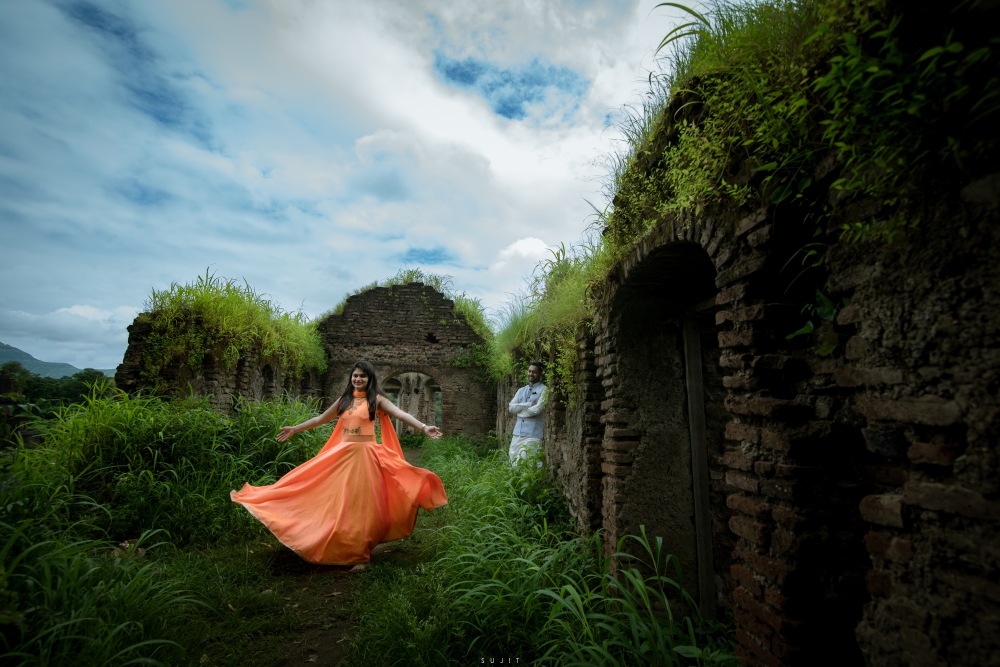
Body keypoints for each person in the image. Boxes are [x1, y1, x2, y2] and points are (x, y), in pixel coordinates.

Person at [231, 361, 447, 569]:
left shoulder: (377, 400)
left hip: (365, 457)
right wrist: (295, 428)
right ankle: (324, 536)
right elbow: (320, 419)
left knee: (360, 504)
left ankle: (360, 554)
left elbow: (401, 413)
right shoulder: (344, 399)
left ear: (370, 378)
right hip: (342, 455)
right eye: (355, 375)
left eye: (362, 375)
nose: (358, 379)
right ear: (350, 377)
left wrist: (423, 426)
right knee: (322, 492)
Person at [507, 361, 546, 462]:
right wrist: (527, 405)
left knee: (527, 463)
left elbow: (537, 410)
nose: (531, 374)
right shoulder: (521, 390)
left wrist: (519, 412)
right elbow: (511, 408)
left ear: (541, 374)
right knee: (513, 462)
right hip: (517, 433)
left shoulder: (544, 390)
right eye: (529, 371)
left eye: (534, 372)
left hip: (533, 435)